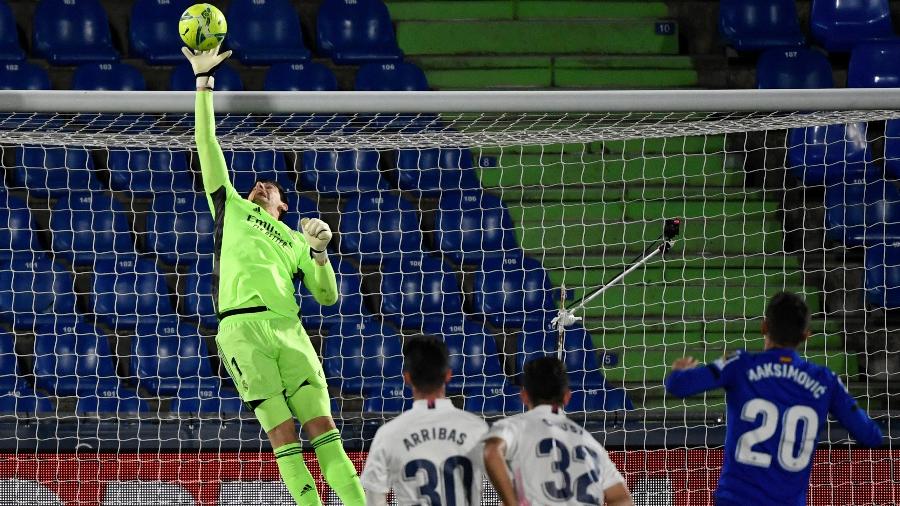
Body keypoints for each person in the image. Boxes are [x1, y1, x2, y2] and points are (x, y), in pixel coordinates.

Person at [181, 45, 365, 506]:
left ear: (283, 206)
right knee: (283, 434)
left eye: (274, 186)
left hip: (289, 328)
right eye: (259, 182)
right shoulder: (231, 207)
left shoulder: (298, 240)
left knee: (324, 430)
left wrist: (321, 253)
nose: (263, 183)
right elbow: (208, 144)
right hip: (241, 328)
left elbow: (326, 297)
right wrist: (203, 83)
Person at [665, 291, 883, 506]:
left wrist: (679, 372)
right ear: (806, 335)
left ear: (764, 327)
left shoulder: (740, 364)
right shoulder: (826, 382)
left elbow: (677, 386)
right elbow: (871, 436)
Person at [479, 356, 633, 506]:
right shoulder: (590, 443)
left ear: (524, 396)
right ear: (567, 397)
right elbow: (622, 499)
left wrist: (511, 502)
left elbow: (491, 451)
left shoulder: (515, 427)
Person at [361, 336, 489, 505]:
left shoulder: (388, 434)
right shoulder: (478, 429)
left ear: (406, 377)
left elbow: (375, 498)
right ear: (448, 375)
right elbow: (509, 489)